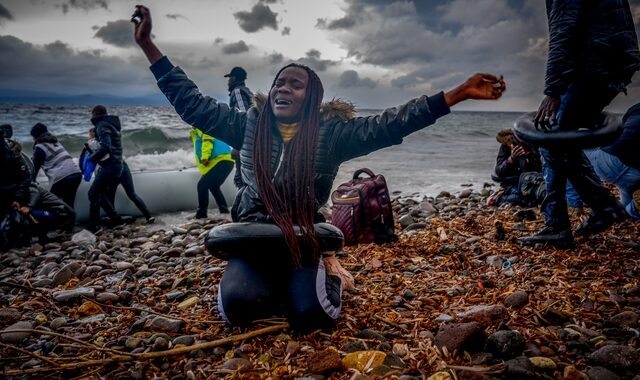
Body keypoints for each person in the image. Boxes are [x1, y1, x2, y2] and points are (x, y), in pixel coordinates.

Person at [132, 5, 505, 331]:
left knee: (311, 316)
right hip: (251, 235)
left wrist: (457, 94)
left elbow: (393, 123)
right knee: (239, 310)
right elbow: (191, 103)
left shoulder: (333, 135)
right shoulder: (246, 124)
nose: (284, 88)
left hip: (303, 236)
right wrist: (148, 45)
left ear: (311, 98)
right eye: (280, 82)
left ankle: (329, 274)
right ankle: (264, 278)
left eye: (296, 85)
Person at [519, 0, 640, 247]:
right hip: (617, 59)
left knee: (551, 141)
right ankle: (604, 208)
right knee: (562, 142)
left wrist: (553, 89)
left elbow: (563, 29)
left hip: (593, 61)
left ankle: (560, 225)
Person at [490, 129, 583, 212]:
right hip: (514, 183)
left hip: (533, 180)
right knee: (524, 198)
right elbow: (499, 171)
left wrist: (532, 155)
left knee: (548, 192)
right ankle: (499, 198)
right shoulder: (507, 146)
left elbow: (544, 166)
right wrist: (511, 159)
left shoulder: (535, 144)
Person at [583, 103, 640, 220]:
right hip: (635, 175)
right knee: (626, 211)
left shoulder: (636, 110)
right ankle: (632, 209)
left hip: (610, 162)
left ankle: (574, 203)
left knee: (566, 148)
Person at [86, 105, 124, 231]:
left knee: (93, 193)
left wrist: (91, 158)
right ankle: (112, 220)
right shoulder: (110, 124)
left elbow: (105, 147)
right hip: (117, 165)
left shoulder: (102, 125)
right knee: (99, 194)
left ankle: (97, 224)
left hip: (110, 165)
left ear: (95, 114)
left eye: (92, 115)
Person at [30, 123, 82, 209]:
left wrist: (31, 184)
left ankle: (53, 222)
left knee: (49, 204)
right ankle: (71, 222)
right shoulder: (56, 142)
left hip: (62, 177)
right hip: (76, 174)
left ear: (35, 136)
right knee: (68, 203)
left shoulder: (39, 147)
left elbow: (34, 169)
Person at [191, 126, 234, 218]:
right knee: (214, 186)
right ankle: (224, 211)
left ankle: (201, 213)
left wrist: (205, 157)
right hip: (228, 161)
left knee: (202, 185)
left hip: (220, 160)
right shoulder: (206, 127)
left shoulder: (203, 127)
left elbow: (208, 139)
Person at [225, 66, 254, 189]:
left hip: (245, 144)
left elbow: (243, 118)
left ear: (235, 78)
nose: (228, 81)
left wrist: (238, 146)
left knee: (241, 180)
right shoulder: (247, 91)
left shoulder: (238, 91)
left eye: (230, 77)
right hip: (252, 143)